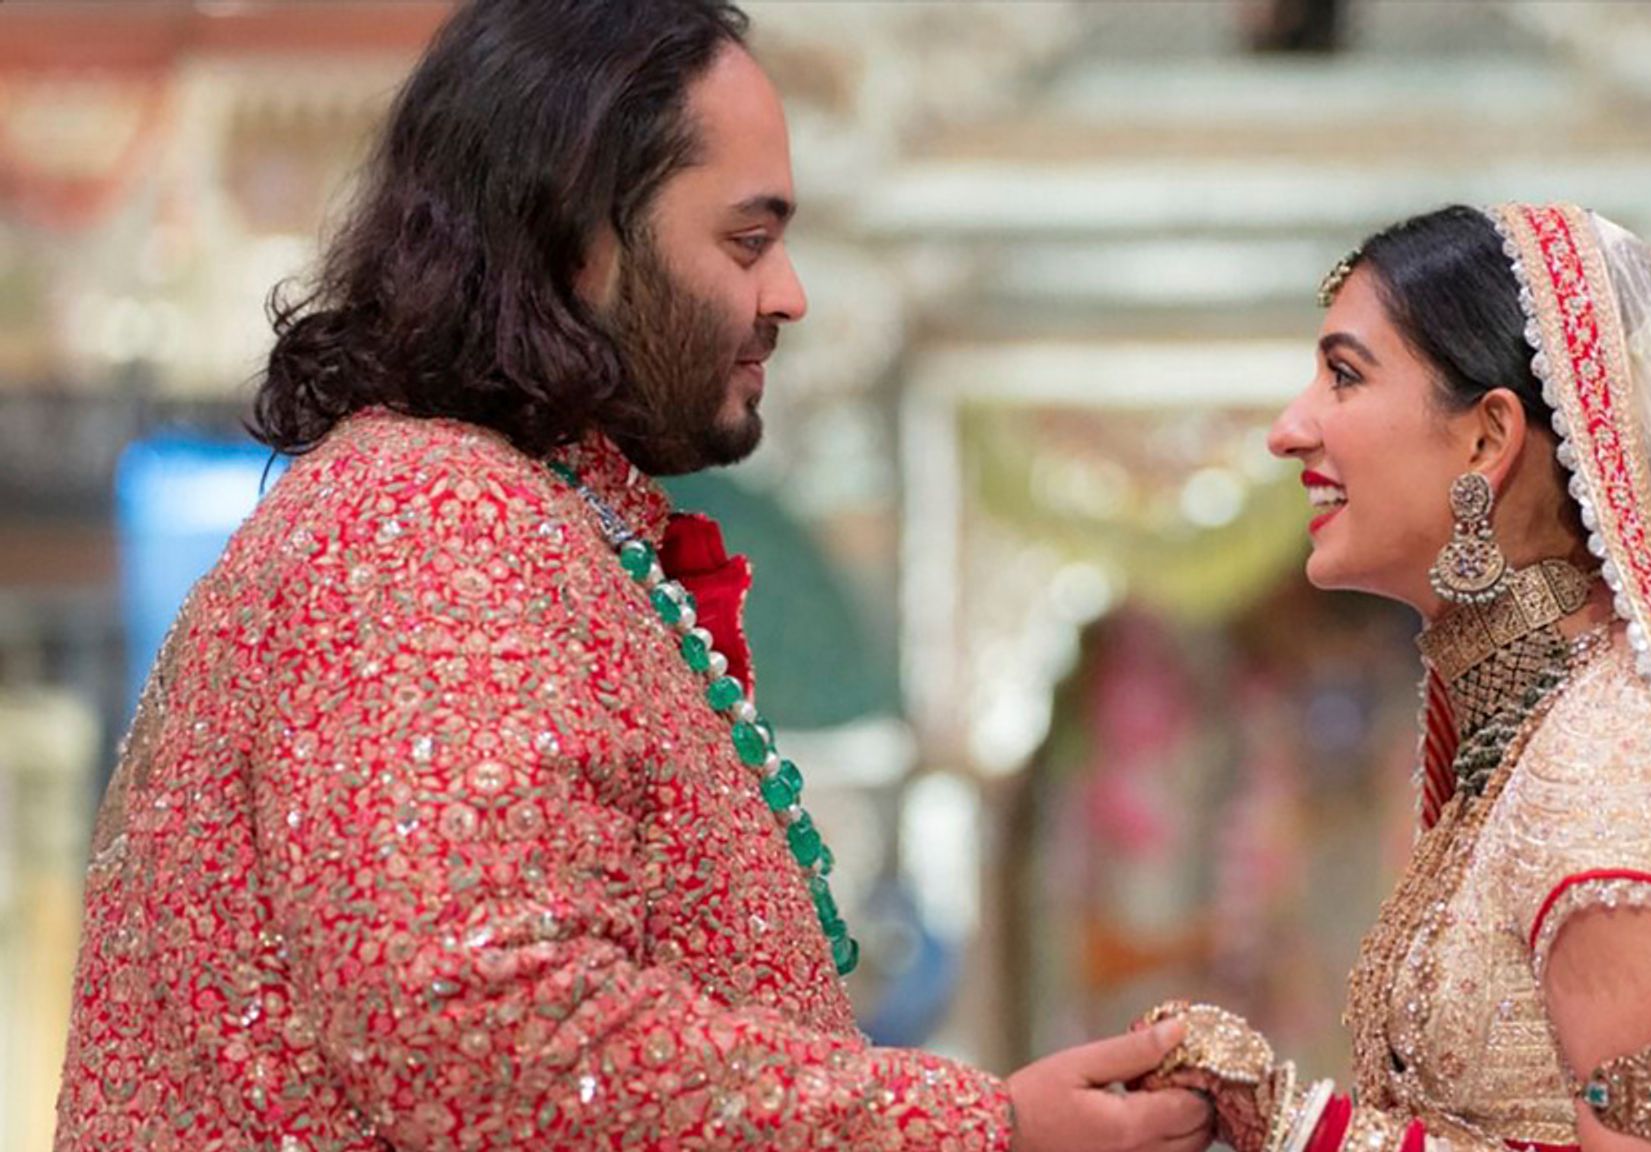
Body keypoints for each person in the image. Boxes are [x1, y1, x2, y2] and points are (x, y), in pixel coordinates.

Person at [52, 3, 1214, 1150]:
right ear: (576, 240)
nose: (786, 296)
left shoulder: (513, 516)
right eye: (744, 242)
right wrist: (979, 1125)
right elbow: (479, 1021)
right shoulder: (432, 522)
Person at [1130, 204, 1651, 1152]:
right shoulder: (1539, 739)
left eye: (1344, 376)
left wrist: (1297, 1128)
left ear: (1487, 441)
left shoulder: (1609, 776)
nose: (1290, 430)